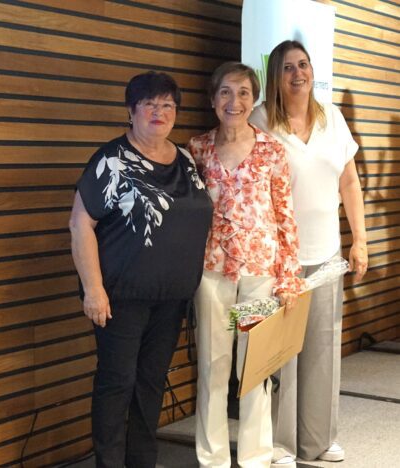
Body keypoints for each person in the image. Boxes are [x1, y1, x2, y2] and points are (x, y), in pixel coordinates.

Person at [70, 71, 213, 468]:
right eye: (149, 104)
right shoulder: (111, 160)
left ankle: (142, 461)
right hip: (120, 299)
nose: (159, 112)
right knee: (117, 383)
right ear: (131, 110)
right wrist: (93, 289)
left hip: (172, 299)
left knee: (151, 383)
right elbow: (80, 224)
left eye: (167, 105)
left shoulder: (185, 159)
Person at [250, 40, 368, 467]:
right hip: (278, 258)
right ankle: (279, 445)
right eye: (287, 67)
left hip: (326, 254)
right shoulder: (260, 120)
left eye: (303, 65)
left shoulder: (332, 118)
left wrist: (360, 239)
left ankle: (318, 441)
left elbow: (349, 183)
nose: (297, 74)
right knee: (280, 353)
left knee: (322, 349)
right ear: (274, 77)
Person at [187, 62, 305, 468]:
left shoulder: (272, 150)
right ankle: (213, 459)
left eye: (242, 93)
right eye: (225, 92)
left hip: (260, 272)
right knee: (213, 367)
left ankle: (255, 457)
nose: (233, 101)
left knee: (254, 368)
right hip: (211, 271)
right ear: (212, 99)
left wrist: (288, 277)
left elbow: (285, 215)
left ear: (253, 100)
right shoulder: (197, 148)